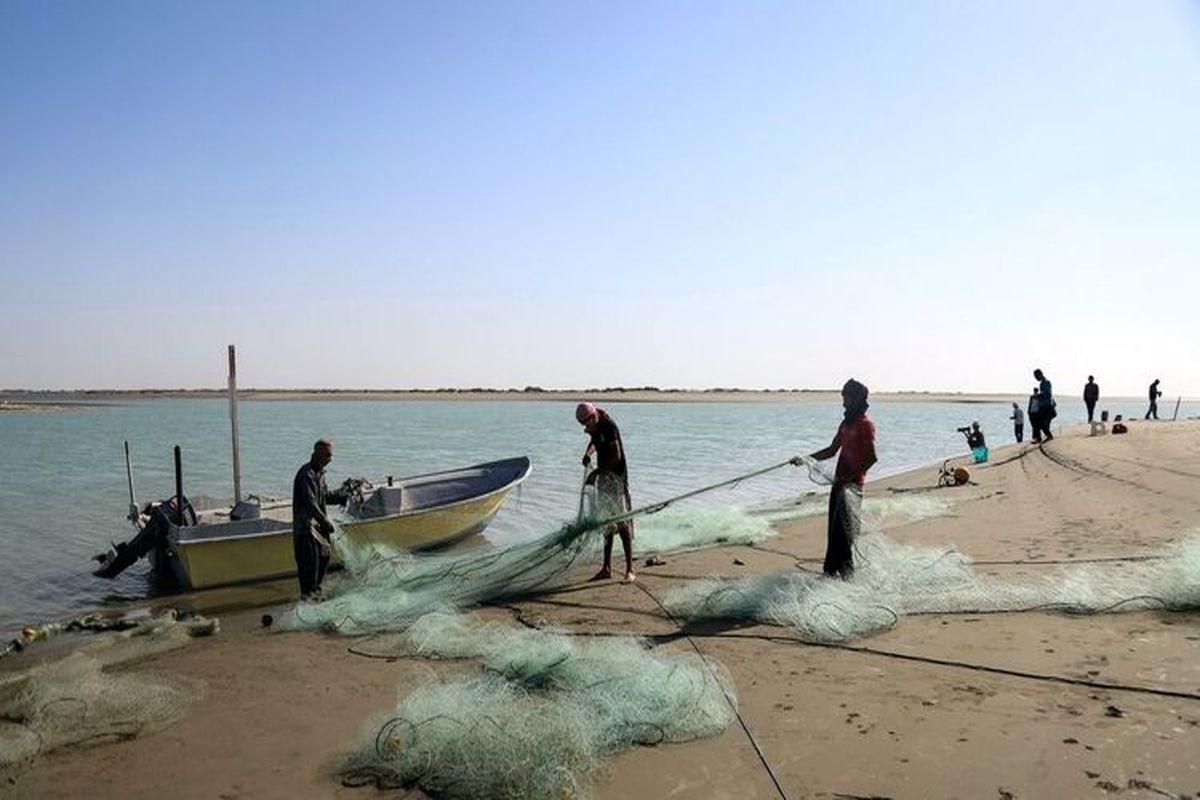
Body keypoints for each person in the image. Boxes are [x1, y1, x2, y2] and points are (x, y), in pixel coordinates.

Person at [803, 379, 877, 579]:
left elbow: (871, 458)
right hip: (838, 486)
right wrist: (806, 458)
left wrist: (849, 479)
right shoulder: (846, 423)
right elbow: (831, 450)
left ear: (858, 398)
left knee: (844, 535)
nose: (844, 402)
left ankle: (847, 579)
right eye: (843, 397)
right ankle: (830, 572)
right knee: (834, 534)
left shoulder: (865, 425)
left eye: (847, 398)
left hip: (852, 488)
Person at [577, 402, 635, 582]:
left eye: (587, 424)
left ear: (593, 417)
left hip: (616, 479)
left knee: (622, 522)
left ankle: (630, 570)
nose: (587, 428)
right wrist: (588, 453)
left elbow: (616, 457)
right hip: (604, 479)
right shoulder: (596, 426)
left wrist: (596, 472)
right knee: (607, 523)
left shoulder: (609, 427)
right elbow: (594, 441)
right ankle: (607, 568)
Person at [292, 439, 346, 601]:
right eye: (328, 455)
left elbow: (325, 496)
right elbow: (311, 503)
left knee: (324, 560)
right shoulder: (306, 474)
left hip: (319, 531)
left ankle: (316, 595)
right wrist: (325, 521)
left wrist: (342, 496)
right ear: (317, 454)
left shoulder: (320, 474)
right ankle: (308, 599)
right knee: (310, 569)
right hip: (306, 530)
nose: (330, 459)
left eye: (331, 456)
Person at [1033, 369, 1055, 442]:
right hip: (1043, 405)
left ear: (1040, 374)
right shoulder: (1042, 383)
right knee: (1038, 422)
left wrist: (1039, 395)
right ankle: (1040, 437)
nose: (1036, 378)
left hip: (1046, 406)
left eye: (1036, 376)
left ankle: (1048, 436)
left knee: (1040, 422)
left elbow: (1048, 394)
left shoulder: (1046, 382)